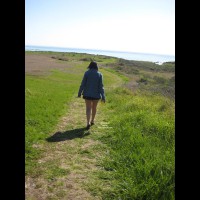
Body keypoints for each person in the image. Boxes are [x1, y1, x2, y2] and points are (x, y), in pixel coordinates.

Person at [78, 61, 105, 130]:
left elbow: (83, 84)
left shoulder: (87, 73)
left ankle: (88, 123)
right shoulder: (100, 74)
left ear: (90, 66)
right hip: (96, 95)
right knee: (94, 108)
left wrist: (79, 93)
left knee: (88, 108)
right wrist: (103, 96)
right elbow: (101, 86)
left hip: (87, 94)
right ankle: (92, 120)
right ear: (96, 67)